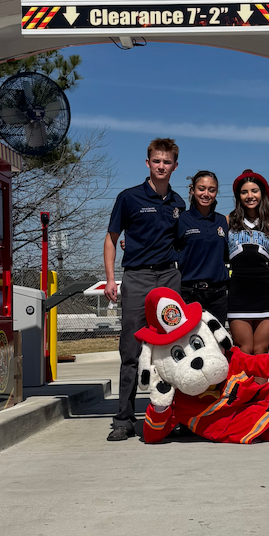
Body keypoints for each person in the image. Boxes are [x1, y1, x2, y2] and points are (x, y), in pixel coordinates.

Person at [104, 137, 185, 441]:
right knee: (131, 350)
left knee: (170, 347)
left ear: (175, 166)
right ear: (147, 162)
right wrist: (111, 279)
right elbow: (112, 238)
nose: (161, 166)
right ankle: (124, 418)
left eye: (167, 162)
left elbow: (180, 243)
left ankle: (170, 415)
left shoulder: (178, 203)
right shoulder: (129, 198)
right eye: (156, 161)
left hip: (168, 278)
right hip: (137, 279)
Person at [225, 170, 269, 353]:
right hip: (239, 293)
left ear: (262, 194)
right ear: (238, 196)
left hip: (265, 293)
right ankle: (242, 384)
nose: (250, 196)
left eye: (254, 191)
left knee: (261, 350)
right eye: (244, 192)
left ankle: (260, 384)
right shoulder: (228, 222)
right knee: (244, 349)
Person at [177, 170, 229, 319]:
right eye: (201, 189)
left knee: (216, 340)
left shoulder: (222, 222)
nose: (206, 194)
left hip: (217, 295)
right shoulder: (181, 220)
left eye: (211, 190)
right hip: (188, 293)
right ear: (192, 190)